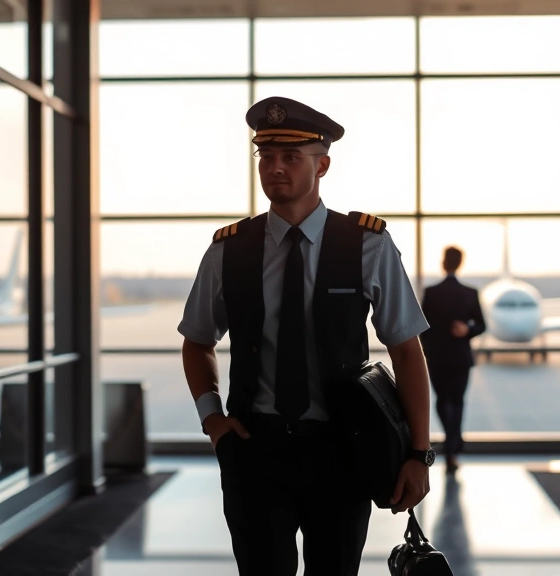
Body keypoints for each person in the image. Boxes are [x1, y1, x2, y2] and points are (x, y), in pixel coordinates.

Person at [178, 96, 434, 576]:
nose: (275, 168)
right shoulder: (229, 252)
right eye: (266, 157)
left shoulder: (367, 244)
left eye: (290, 157)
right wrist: (213, 420)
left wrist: (418, 453)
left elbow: (406, 349)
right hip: (256, 450)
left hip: (342, 452)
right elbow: (197, 340)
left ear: (323, 166)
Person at [420, 247, 485, 473]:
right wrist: (466, 329)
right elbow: (481, 325)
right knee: (457, 401)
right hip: (460, 358)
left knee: (442, 400)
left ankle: (450, 443)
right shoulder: (469, 293)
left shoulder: (431, 292)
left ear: (443, 262)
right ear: (460, 263)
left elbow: (422, 329)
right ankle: (453, 446)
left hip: (437, 357)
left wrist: (428, 350)